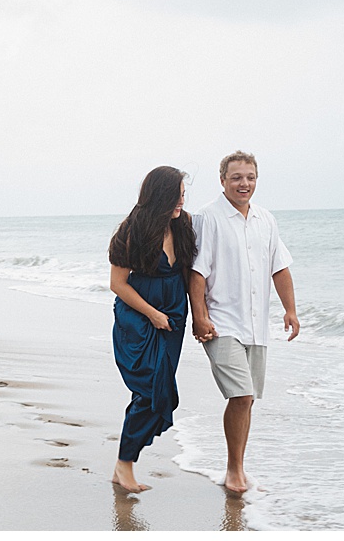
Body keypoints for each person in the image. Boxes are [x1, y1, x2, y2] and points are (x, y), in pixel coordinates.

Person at [189, 150, 299, 494]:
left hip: (256, 324)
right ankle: (233, 471)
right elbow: (196, 272)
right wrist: (200, 317)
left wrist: (290, 310)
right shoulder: (207, 218)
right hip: (221, 323)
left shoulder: (266, 219)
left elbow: (278, 267)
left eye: (250, 177)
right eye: (236, 177)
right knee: (241, 394)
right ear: (222, 180)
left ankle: (239, 467)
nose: (244, 183)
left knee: (247, 399)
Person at [107, 166, 196, 493]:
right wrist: (153, 314)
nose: (182, 203)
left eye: (184, 196)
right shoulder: (132, 231)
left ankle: (124, 463)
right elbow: (117, 284)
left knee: (160, 392)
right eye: (177, 196)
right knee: (150, 391)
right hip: (139, 319)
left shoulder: (183, 225)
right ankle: (124, 464)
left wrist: (200, 314)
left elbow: (190, 274)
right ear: (160, 195)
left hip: (174, 317)